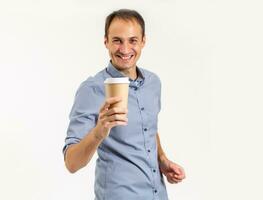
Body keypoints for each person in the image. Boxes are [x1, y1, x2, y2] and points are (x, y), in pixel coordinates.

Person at [63, 9, 185, 200]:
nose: (125, 49)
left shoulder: (153, 83)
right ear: (106, 42)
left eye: (133, 40)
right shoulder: (92, 89)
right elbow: (71, 163)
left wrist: (162, 159)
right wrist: (98, 132)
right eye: (117, 40)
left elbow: (149, 128)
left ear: (143, 41)